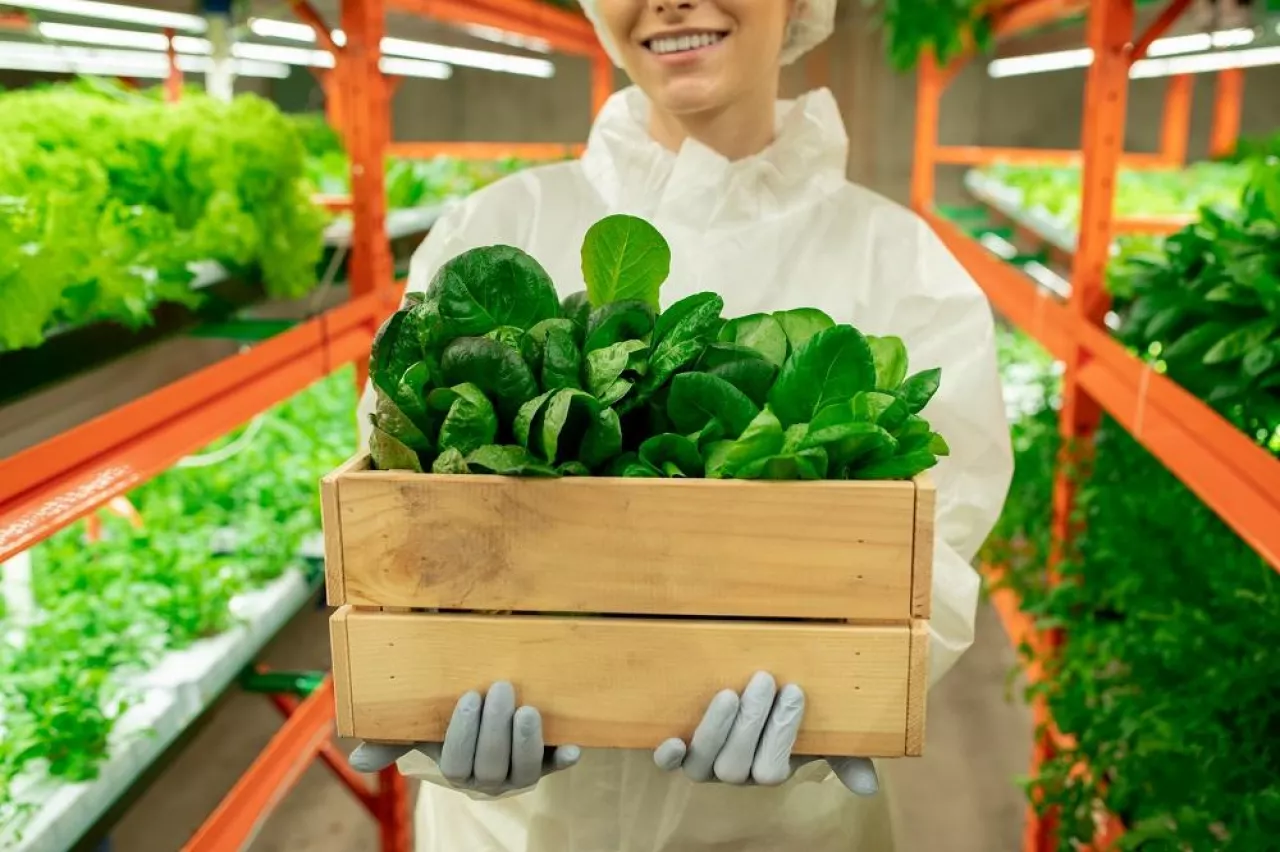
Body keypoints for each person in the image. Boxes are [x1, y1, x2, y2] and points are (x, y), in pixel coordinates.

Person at [352, 0, 1013, 848]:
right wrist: (435, 712)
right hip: (520, 828)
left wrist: (839, 704)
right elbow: (400, 512)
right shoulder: (492, 228)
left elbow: (936, 555)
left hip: (783, 828)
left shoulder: (903, 265)